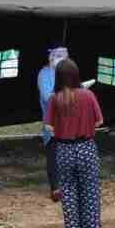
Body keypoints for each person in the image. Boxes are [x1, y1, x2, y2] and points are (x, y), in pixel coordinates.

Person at [45, 59, 104, 228]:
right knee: (90, 190)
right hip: (86, 147)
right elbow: (99, 122)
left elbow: (49, 127)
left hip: (64, 150)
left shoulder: (55, 99)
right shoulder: (88, 96)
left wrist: (62, 130)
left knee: (68, 192)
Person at [38, 43, 68, 202]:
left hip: (69, 121)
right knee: (53, 153)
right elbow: (46, 97)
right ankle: (55, 188)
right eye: (60, 56)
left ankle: (68, 186)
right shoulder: (44, 74)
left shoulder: (67, 73)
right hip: (52, 121)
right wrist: (64, 95)